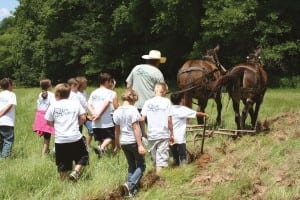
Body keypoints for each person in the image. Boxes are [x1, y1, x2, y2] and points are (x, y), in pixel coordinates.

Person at [45, 83, 88, 181]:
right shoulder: (75, 103)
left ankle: (63, 183)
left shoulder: (53, 105)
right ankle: (75, 172)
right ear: (69, 94)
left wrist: (56, 126)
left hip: (60, 139)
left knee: (62, 162)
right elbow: (83, 117)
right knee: (83, 156)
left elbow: (48, 121)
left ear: (58, 94)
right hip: (75, 137)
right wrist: (77, 125)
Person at [113, 88, 146, 197]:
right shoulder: (133, 110)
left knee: (131, 165)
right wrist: (140, 145)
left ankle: (130, 192)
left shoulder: (117, 111)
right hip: (133, 142)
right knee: (141, 165)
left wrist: (117, 144)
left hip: (124, 142)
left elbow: (116, 130)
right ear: (133, 98)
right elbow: (136, 128)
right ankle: (130, 184)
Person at [141, 82, 174, 174]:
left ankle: (154, 177)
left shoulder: (147, 102)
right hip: (163, 134)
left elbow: (142, 118)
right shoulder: (166, 101)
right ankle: (157, 181)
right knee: (161, 161)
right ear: (163, 91)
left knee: (155, 160)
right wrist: (172, 133)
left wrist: (143, 132)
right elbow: (169, 120)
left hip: (151, 135)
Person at [170, 92, 209, 166]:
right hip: (180, 138)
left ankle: (176, 167)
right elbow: (196, 113)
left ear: (171, 101)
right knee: (182, 156)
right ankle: (183, 169)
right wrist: (205, 114)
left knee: (175, 155)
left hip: (171, 137)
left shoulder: (168, 109)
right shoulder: (182, 109)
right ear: (182, 100)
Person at [88, 72, 119, 157]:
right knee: (111, 137)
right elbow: (106, 104)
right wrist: (99, 115)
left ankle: (101, 153)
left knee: (101, 139)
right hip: (106, 121)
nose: (110, 83)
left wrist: (94, 113)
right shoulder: (110, 92)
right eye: (110, 81)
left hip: (96, 122)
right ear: (106, 81)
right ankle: (101, 147)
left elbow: (89, 104)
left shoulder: (94, 92)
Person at [33, 79, 55, 156]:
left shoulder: (40, 94)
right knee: (47, 137)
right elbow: (53, 106)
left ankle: (47, 151)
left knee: (46, 136)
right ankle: (43, 155)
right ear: (49, 86)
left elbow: (38, 105)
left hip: (39, 116)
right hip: (46, 116)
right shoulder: (51, 95)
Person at [0, 78, 17, 159]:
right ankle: (4, 159)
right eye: (12, 84)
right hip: (7, 121)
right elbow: (9, 106)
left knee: (1, 141)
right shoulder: (11, 94)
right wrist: (1, 114)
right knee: (8, 140)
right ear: (9, 85)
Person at [76, 76, 93, 150]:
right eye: (85, 83)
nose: (86, 85)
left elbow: (86, 104)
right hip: (78, 116)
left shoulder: (84, 92)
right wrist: (86, 115)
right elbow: (78, 107)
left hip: (86, 115)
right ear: (80, 84)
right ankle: (78, 147)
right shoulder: (76, 94)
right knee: (78, 133)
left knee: (91, 129)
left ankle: (87, 145)